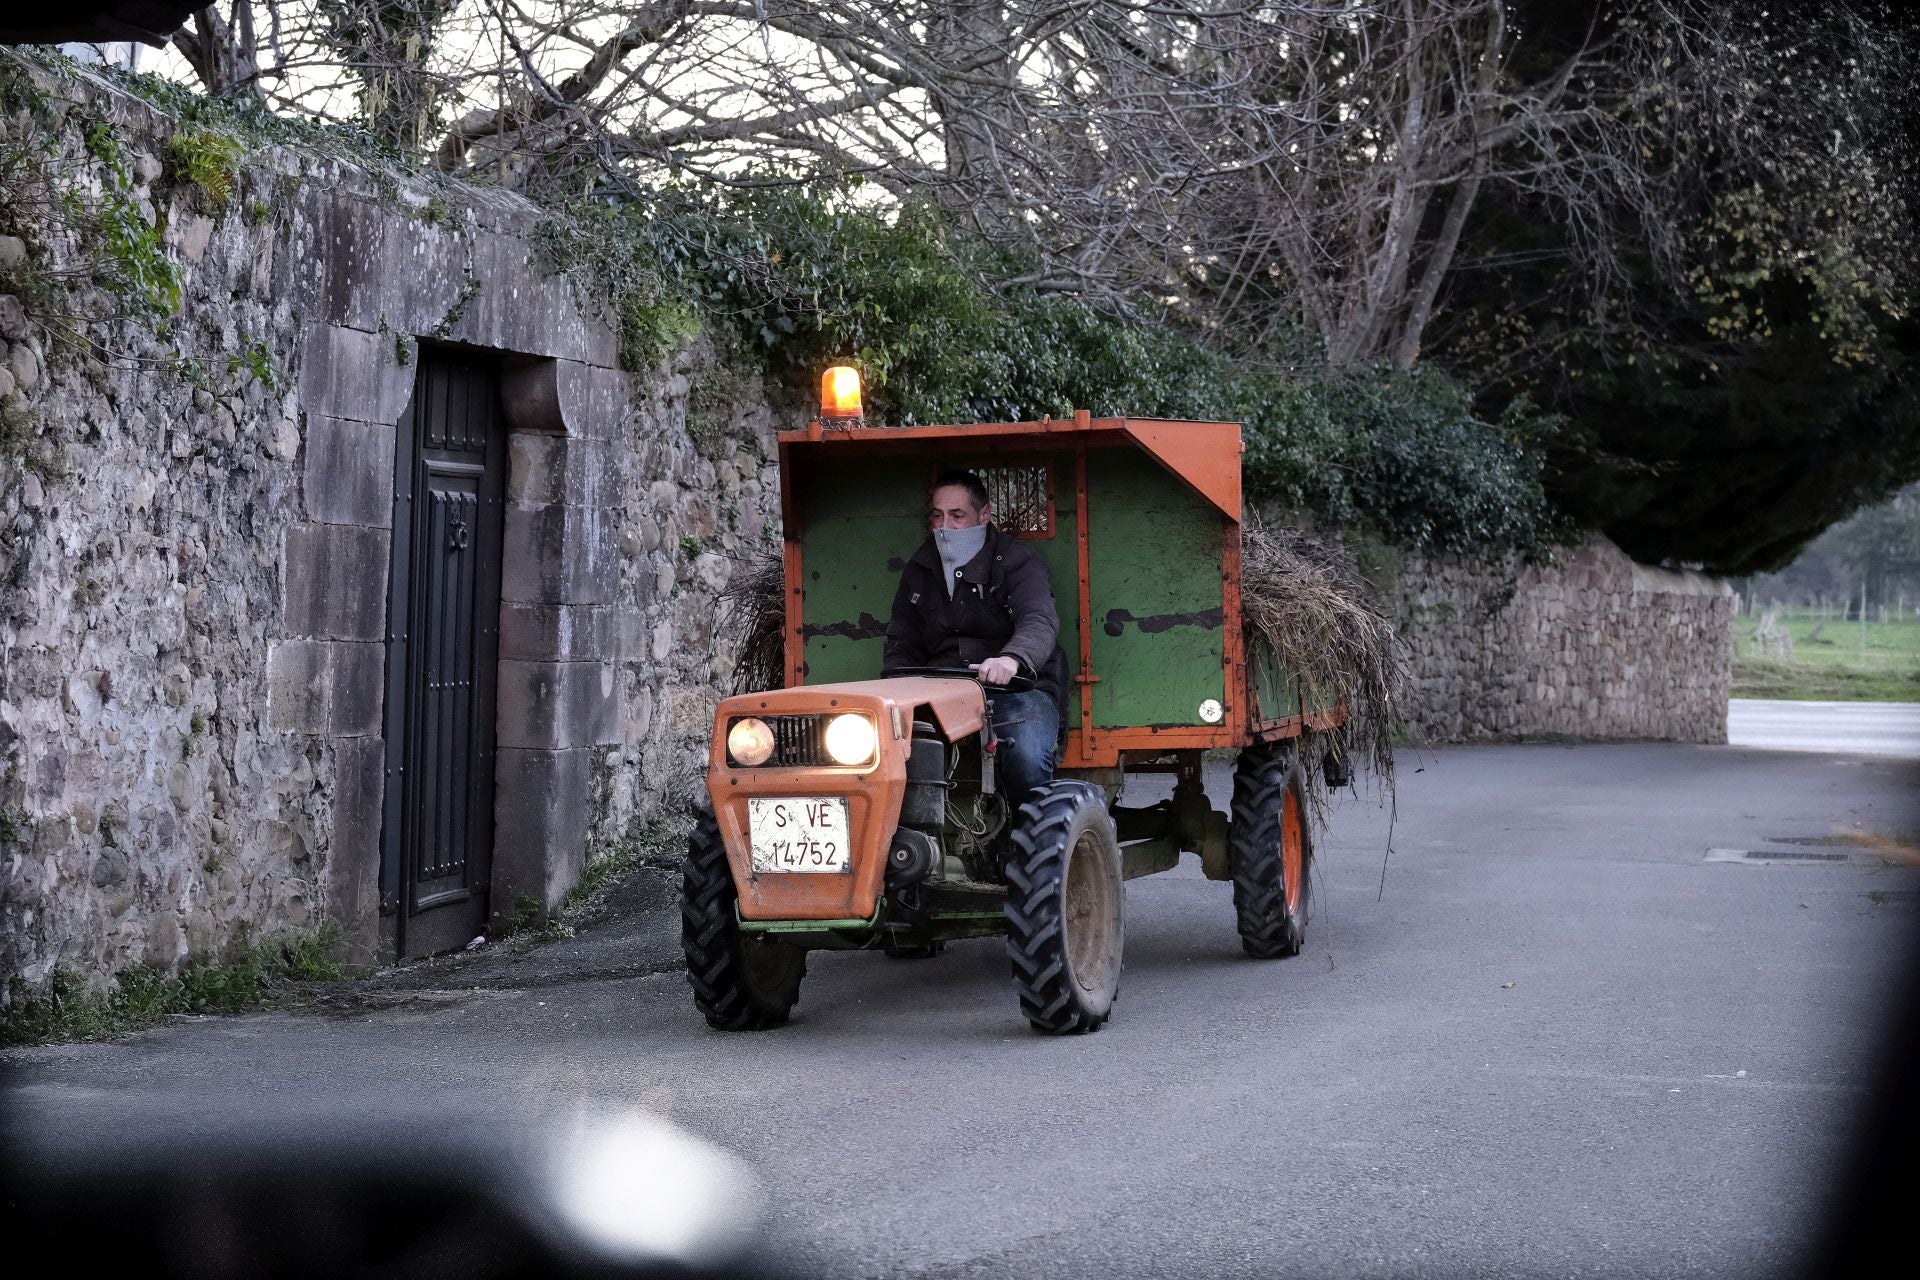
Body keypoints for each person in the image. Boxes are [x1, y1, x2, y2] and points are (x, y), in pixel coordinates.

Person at [882, 469, 1069, 810]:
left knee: (1026, 760)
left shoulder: (1018, 562)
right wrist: (897, 688)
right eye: (937, 516)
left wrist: (1011, 660)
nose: (945, 527)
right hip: (940, 691)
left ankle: (1029, 845)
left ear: (984, 515)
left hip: (1017, 690)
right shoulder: (920, 568)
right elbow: (902, 638)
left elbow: (1039, 620)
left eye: (957, 516)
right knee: (893, 761)